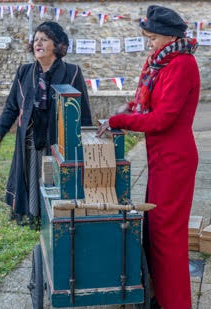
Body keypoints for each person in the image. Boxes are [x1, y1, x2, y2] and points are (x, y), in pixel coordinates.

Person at [97, 5, 200, 309]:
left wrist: (119, 121)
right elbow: (147, 103)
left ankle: (175, 303)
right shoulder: (161, 62)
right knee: (155, 230)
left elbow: (161, 119)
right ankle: (158, 296)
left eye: (152, 38)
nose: (149, 44)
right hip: (161, 158)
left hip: (175, 159)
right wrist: (129, 108)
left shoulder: (182, 64)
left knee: (168, 238)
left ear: (169, 37)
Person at [0, 21, 92, 228]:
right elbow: (11, 106)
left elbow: (82, 109)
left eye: (44, 39)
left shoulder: (72, 72)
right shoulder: (24, 72)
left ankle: (55, 214)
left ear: (58, 45)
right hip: (29, 137)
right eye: (36, 39)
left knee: (53, 176)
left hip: (58, 138)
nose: (38, 43)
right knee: (32, 173)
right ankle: (34, 214)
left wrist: (87, 138)